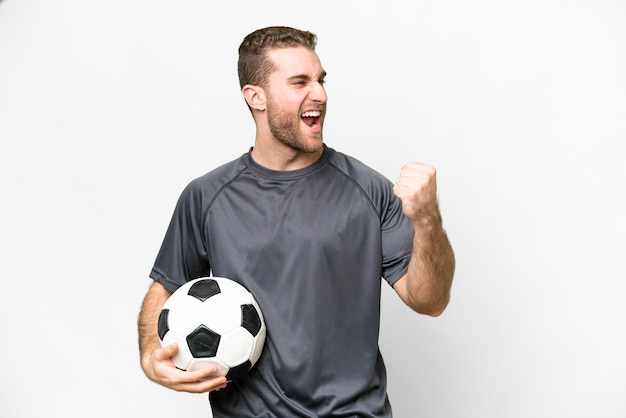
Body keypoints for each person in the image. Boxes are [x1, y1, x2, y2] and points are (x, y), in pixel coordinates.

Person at [138, 26, 455, 417]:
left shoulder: (368, 190)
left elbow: (431, 301)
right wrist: (152, 353)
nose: (319, 94)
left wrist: (427, 220)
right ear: (256, 97)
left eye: (320, 80)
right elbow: (165, 287)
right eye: (300, 82)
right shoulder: (206, 196)